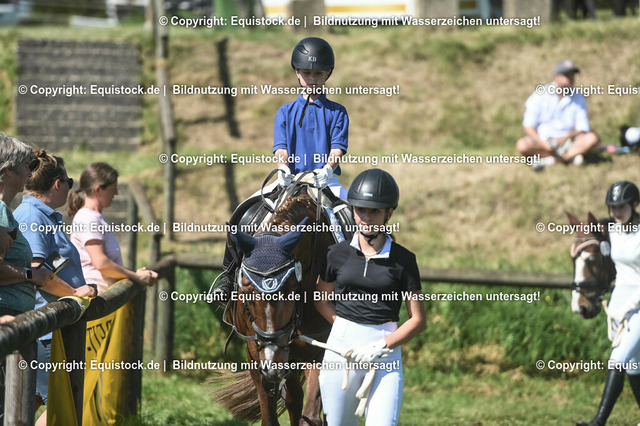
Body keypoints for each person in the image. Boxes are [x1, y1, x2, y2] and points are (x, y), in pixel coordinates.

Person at [213, 37, 349, 301]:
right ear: (297, 72)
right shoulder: (285, 112)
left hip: (324, 180)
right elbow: (281, 148)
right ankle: (227, 278)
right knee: (242, 212)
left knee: (353, 217)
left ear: (327, 74)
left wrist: (327, 169)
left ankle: (358, 284)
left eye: (318, 74)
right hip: (291, 179)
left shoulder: (338, 112)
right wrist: (283, 166)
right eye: (307, 73)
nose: (312, 79)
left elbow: (337, 148)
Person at [315, 169, 426, 426]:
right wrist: (343, 328)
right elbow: (321, 299)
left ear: (389, 213)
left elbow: (418, 320)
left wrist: (381, 346)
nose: (366, 217)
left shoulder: (404, 260)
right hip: (341, 351)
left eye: (374, 211)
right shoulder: (335, 254)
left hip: (385, 354)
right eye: (360, 209)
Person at [14, 149, 97, 425]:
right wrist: (74, 293)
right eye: (69, 182)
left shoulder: (43, 216)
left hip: (53, 327)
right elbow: (37, 272)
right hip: (46, 329)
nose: (70, 188)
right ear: (58, 184)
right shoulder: (32, 216)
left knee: (36, 403)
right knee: (60, 406)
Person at [577, 181, 640, 426]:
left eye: (622, 207)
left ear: (634, 205)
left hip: (638, 304)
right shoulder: (611, 230)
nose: (617, 212)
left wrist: (631, 305)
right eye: (613, 207)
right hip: (619, 303)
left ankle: (598, 422)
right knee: (634, 365)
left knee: (618, 358)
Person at [68, 162, 157, 293]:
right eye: (113, 188)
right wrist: (136, 277)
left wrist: (135, 273)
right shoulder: (88, 218)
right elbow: (101, 263)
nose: (116, 193)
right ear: (98, 189)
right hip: (98, 295)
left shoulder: (93, 216)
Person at [515, 60, 599, 170]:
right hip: (544, 141)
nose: (571, 78)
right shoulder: (540, 95)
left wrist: (565, 138)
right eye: (566, 75)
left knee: (592, 138)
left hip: (569, 142)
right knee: (522, 145)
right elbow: (528, 126)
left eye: (572, 75)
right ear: (556, 78)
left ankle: (554, 160)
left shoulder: (579, 98)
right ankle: (568, 158)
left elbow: (583, 128)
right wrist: (544, 143)